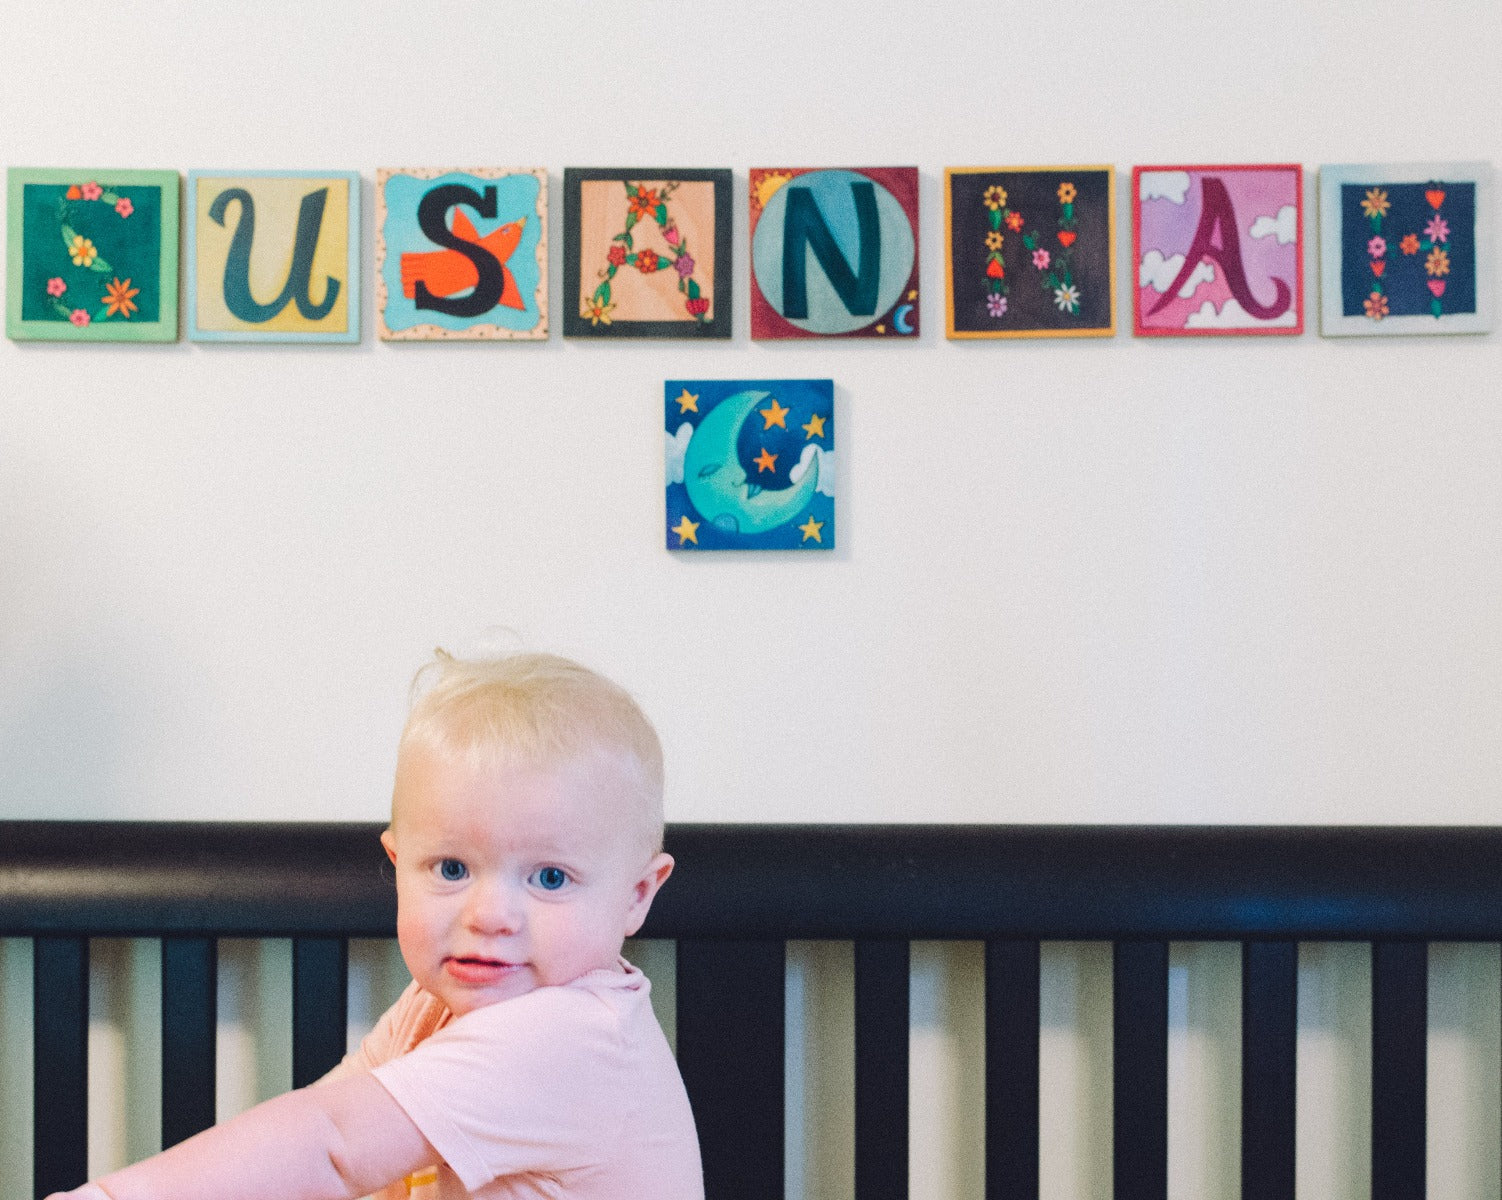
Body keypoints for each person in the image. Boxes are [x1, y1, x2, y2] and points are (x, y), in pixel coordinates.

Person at [50, 650, 703, 1200]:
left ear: (637, 895)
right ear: (398, 863)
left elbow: (332, 1145)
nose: (489, 916)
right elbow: (319, 1124)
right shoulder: (431, 1010)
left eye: (550, 878)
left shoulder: (570, 1038)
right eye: (450, 868)